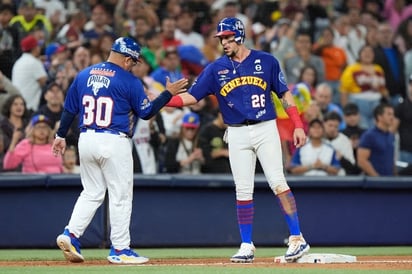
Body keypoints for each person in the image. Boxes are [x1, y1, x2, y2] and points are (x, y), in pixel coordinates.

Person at [166, 17, 309, 263]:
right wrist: (164, 99)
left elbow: (285, 94)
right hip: (236, 132)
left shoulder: (266, 61)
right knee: (243, 189)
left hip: (265, 126)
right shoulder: (215, 68)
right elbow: (192, 97)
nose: (223, 42)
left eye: (227, 37)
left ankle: (297, 238)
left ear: (240, 36)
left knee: (277, 182)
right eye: (221, 38)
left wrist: (297, 124)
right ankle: (246, 244)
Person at [51, 37, 188, 264]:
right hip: (114, 140)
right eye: (133, 61)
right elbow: (146, 113)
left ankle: (71, 234)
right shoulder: (129, 80)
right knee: (121, 196)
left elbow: (69, 109)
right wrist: (167, 94)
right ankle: (120, 249)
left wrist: (60, 135)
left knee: (92, 192)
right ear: (127, 59)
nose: (134, 65)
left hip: (86, 139)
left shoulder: (84, 74)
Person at [357, 103, 396, 176]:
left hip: (390, 181)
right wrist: (376, 178)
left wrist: (395, 177)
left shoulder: (391, 136)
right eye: (389, 114)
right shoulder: (369, 135)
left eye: (393, 114)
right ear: (379, 117)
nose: (392, 117)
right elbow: (361, 161)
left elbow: (391, 160)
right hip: (374, 183)